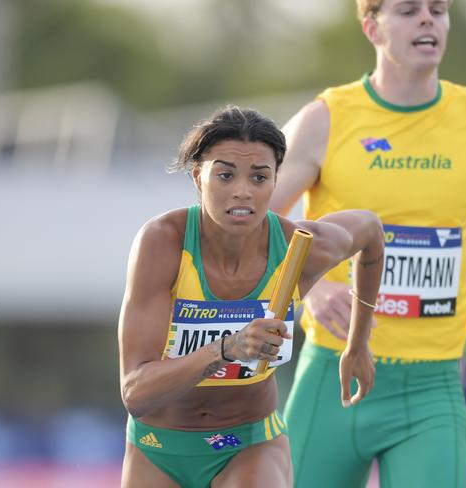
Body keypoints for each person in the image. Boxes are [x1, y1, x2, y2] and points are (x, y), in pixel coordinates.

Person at [269, 0, 466, 486]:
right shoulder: (324, 119)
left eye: (438, 10)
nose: (428, 19)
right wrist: (309, 286)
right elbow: (257, 220)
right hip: (333, 374)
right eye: (407, 10)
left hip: (432, 386)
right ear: (370, 26)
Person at [117, 105, 385, 488]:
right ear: (198, 178)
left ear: (276, 182)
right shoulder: (163, 243)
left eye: (259, 177)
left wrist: (358, 343)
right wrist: (226, 349)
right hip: (158, 447)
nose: (242, 190)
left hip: (249, 444)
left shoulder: (302, 247)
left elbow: (372, 232)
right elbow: (135, 393)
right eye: (225, 175)